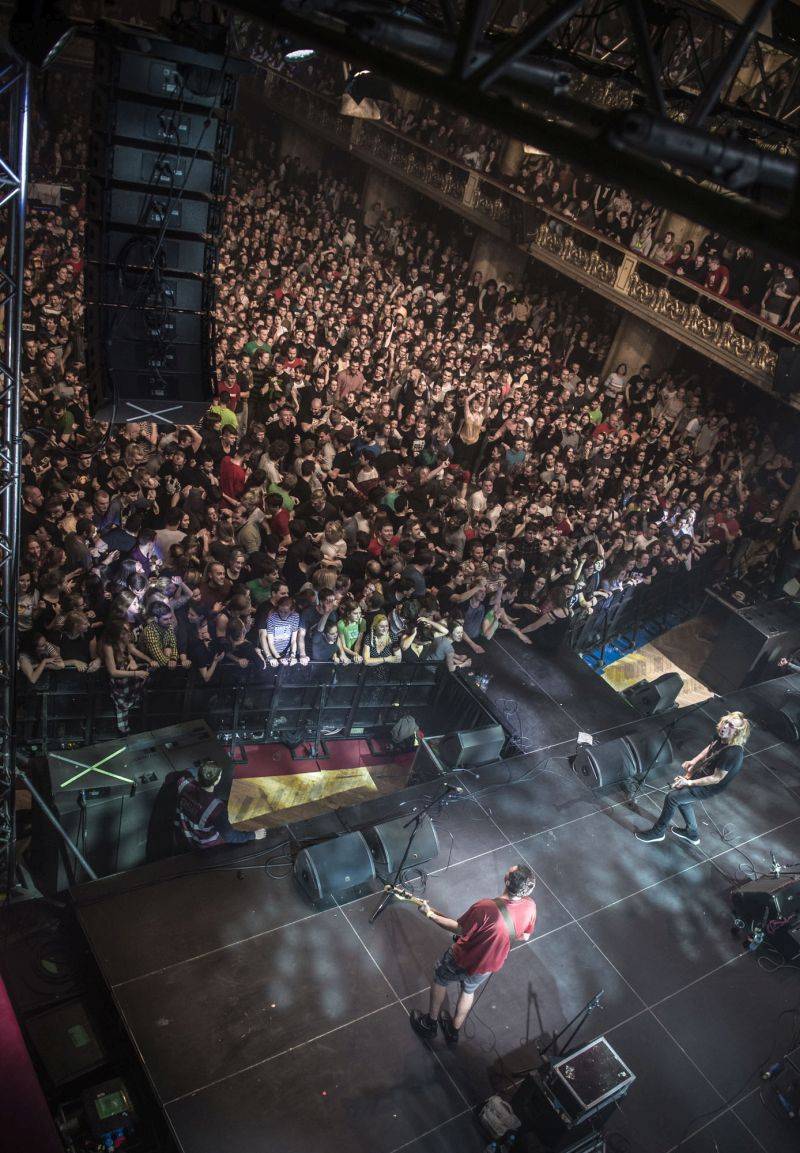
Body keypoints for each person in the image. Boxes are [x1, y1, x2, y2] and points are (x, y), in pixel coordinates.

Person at [410, 863, 537, 1044]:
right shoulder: (530, 906)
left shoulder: (485, 907)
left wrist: (430, 915)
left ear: (506, 881)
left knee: (440, 979)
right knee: (469, 990)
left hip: (461, 958)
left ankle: (430, 1024)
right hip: (489, 965)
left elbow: (459, 929)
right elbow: (524, 936)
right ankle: (453, 1031)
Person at [635, 712, 751, 846]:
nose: (725, 726)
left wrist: (688, 782)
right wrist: (693, 761)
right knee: (683, 801)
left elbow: (716, 778)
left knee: (672, 798)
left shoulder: (732, 753)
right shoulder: (721, 736)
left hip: (710, 786)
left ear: (737, 733)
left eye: (731, 726)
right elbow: (710, 748)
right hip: (703, 774)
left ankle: (658, 832)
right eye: (725, 722)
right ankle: (692, 833)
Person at [176, 757, 267, 849]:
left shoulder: (184, 783)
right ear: (217, 781)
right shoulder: (216, 809)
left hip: (186, 830)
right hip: (204, 842)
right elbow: (229, 836)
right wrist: (253, 835)